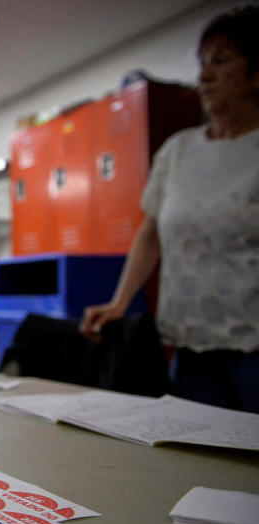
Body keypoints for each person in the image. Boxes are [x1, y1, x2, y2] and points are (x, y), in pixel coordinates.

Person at [81, 6, 259, 413]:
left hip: (254, 347)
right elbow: (151, 232)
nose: (205, 76)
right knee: (196, 455)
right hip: (190, 344)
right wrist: (119, 302)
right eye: (202, 64)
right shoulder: (180, 151)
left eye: (222, 61)